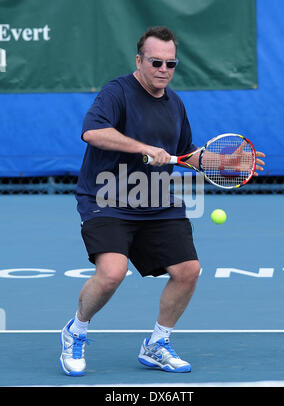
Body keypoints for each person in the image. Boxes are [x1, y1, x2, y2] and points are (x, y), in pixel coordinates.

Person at [59, 26, 265, 377]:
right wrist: (144, 148)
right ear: (139, 60)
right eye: (156, 62)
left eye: (171, 64)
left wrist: (222, 163)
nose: (164, 70)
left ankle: (157, 343)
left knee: (188, 271)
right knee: (111, 273)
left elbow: (185, 155)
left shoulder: (175, 104)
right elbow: (93, 132)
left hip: (156, 201)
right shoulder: (117, 92)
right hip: (106, 198)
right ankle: (75, 330)